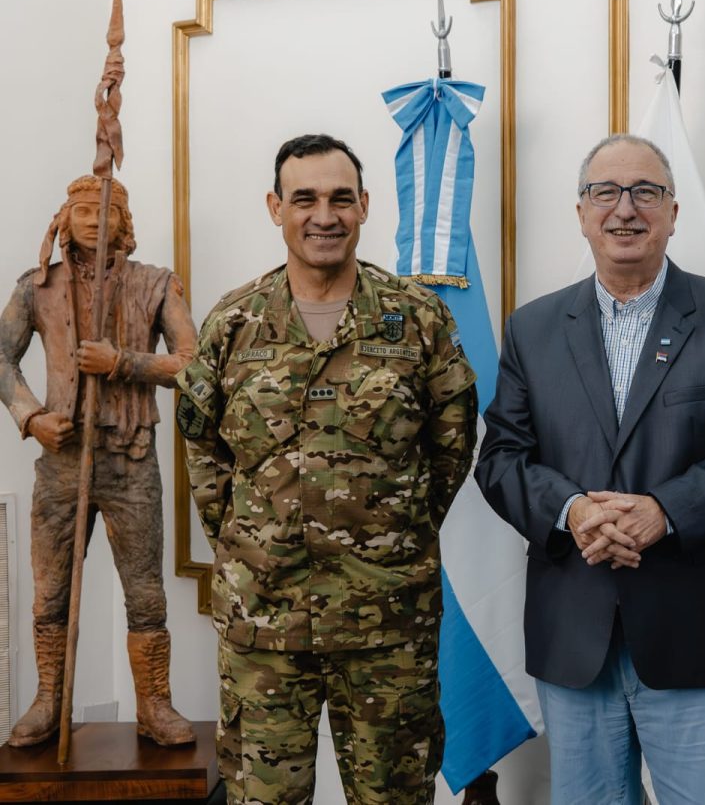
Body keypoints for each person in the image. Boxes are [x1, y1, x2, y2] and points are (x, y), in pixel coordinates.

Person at [475, 134, 705, 804]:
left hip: (697, 633)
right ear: (581, 213)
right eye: (606, 192)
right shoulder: (532, 328)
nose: (625, 208)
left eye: (645, 192)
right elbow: (501, 457)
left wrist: (666, 511)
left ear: (673, 212)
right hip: (574, 631)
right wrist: (574, 511)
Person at [177, 134, 477, 804]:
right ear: (275, 208)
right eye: (304, 199)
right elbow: (203, 453)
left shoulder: (416, 318)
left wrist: (395, 537)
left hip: (387, 623)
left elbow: (452, 444)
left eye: (341, 199)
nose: (324, 216)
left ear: (365, 206)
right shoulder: (234, 322)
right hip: (264, 624)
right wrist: (253, 545)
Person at [0, 175, 196, 747]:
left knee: (145, 594)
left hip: (131, 460)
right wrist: (32, 418)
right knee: (51, 595)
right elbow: (2, 357)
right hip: (62, 460)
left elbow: (192, 362)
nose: (93, 219)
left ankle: (154, 705)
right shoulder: (37, 287)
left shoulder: (155, 283)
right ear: (64, 220)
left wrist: (124, 363)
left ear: (123, 223)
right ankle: (49, 699)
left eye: (104, 211)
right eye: (81, 210)